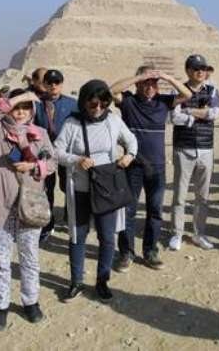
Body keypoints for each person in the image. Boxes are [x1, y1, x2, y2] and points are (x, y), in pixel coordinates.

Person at [0, 88, 57, 330]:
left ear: (33, 111)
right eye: (17, 108)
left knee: (29, 257)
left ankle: (31, 301)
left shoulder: (39, 133)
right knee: (0, 259)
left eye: (26, 108)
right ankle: (1, 306)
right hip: (1, 202)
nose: (20, 112)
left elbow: (52, 162)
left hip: (30, 202)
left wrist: (34, 166)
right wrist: (20, 97)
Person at [54, 80, 138, 302]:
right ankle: (76, 282)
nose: (98, 108)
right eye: (93, 104)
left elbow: (131, 141)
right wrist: (76, 159)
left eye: (103, 103)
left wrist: (129, 156)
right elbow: (56, 151)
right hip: (81, 189)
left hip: (106, 189)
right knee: (77, 237)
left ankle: (102, 281)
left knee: (107, 237)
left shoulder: (113, 120)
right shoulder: (72, 124)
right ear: (83, 103)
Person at [109, 66, 191, 271]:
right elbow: (112, 91)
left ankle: (150, 251)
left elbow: (187, 94)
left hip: (157, 167)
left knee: (155, 212)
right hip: (133, 166)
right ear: (138, 84)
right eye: (145, 83)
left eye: (153, 84)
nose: (149, 87)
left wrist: (164, 76)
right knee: (128, 211)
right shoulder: (128, 101)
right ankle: (126, 253)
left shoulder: (163, 102)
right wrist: (140, 76)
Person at [168, 55, 219, 251]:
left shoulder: (213, 90)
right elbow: (174, 116)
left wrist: (189, 112)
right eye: (196, 68)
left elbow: (215, 114)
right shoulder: (178, 89)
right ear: (188, 70)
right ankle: (177, 233)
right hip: (184, 148)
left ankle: (199, 234)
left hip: (206, 148)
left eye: (203, 68)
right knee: (180, 195)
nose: (201, 71)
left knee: (202, 196)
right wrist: (200, 113)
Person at [33, 69, 78, 242]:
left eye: (57, 82)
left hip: (66, 152)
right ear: (43, 84)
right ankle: (48, 223)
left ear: (61, 84)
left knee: (69, 187)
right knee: (46, 189)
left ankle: (69, 218)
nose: (53, 86)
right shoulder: (36, 104)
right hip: (45, 154)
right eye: (49, 82)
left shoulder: (72, 103)